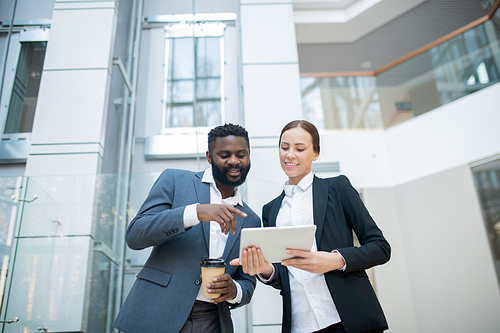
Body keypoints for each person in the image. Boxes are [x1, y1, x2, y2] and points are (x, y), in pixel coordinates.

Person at [231, 120, 391, 333]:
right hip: (300, 325)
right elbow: (283, 277)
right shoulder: (270, 210)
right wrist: (265, 270)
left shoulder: (338, 188)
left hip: (348, 319)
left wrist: (335, 260)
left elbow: (381, 247)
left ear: (315, 153)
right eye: (284, 147)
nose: (290, 155)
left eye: (300, 148)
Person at [113, 123, 261, 333]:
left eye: (241, 154)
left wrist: (233, 290)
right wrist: (195, 213)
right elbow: (135, 235)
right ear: (209, 157)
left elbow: (247, 282)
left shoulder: (252, 219)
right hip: (157, 310)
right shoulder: (175, 180)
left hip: (212, 319)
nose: (234, 161)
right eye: (224, 154)